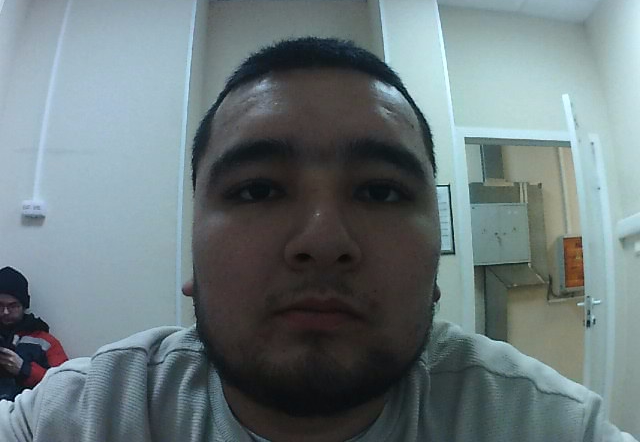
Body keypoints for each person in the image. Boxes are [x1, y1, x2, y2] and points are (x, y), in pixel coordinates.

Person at [0, 37, 636, 441]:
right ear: (193, 256)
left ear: (435, 264)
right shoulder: (83, 416)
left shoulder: (540, 422)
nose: (324, 241)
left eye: (381, 192)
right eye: (257, 190)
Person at [0, 267, 68, 401]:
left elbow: (65, 386)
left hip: (28, 412)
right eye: (0, 305)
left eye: (13, 306)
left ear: (24, 305)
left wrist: (24, 369)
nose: (5, 312)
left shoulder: (44, 342)